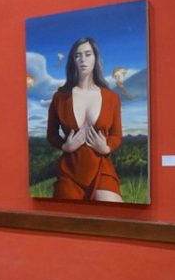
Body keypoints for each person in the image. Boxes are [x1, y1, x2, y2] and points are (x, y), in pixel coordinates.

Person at [47, 37, 123, 202]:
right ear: (72, 61)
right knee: (65, 214)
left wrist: (106, 148)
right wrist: (65, 146)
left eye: (88, 54)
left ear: (95, 58)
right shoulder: (59, 97)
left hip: (101, 168)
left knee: (112, 207)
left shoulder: (112, 98)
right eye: (77, 55)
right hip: (69, 170)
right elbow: (51, 134)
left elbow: (117, 135)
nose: (83, 60)